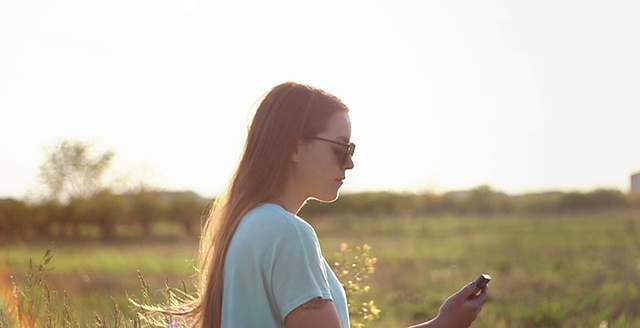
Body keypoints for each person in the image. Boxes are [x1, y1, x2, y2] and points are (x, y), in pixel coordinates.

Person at [173, 81, 488, 327]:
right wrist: (443, 325)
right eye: (340, 148)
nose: (349, 163)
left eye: (351, 148)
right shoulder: (287, 232)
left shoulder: (246, 225)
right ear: (295, 146)